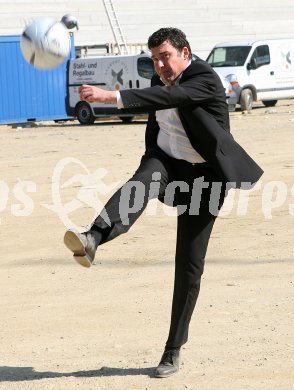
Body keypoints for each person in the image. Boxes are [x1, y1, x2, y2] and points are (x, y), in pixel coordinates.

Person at [64, 27, 263, 378]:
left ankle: (172, 350)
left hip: (207, 180)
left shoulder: (204, 78)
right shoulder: (162, 78)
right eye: (154, 59)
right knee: (143, 180)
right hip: (168, 165)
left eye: (165, 57)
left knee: (189, 263)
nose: (159, 65)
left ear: (184, 53)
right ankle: (93, 237)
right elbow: (160, 102)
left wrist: (113, 98)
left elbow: (172, 97)